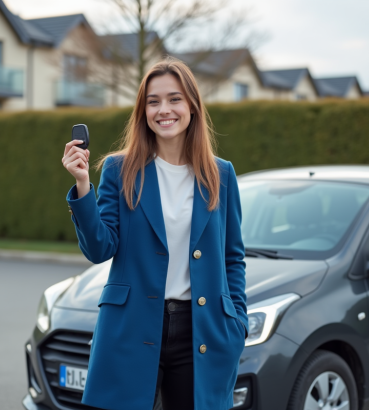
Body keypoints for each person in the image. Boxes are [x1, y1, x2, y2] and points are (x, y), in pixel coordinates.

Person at [61, 56, 248, 410]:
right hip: (131, 327)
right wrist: (83, 185)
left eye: (175, 98)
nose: (164, 109)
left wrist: (236, 323)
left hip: (201, 331)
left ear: (192, 105)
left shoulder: (221, 174)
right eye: (153, 101)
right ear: (143, 110)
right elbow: (100, 248)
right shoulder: (120, 168)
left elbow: (232, 257)